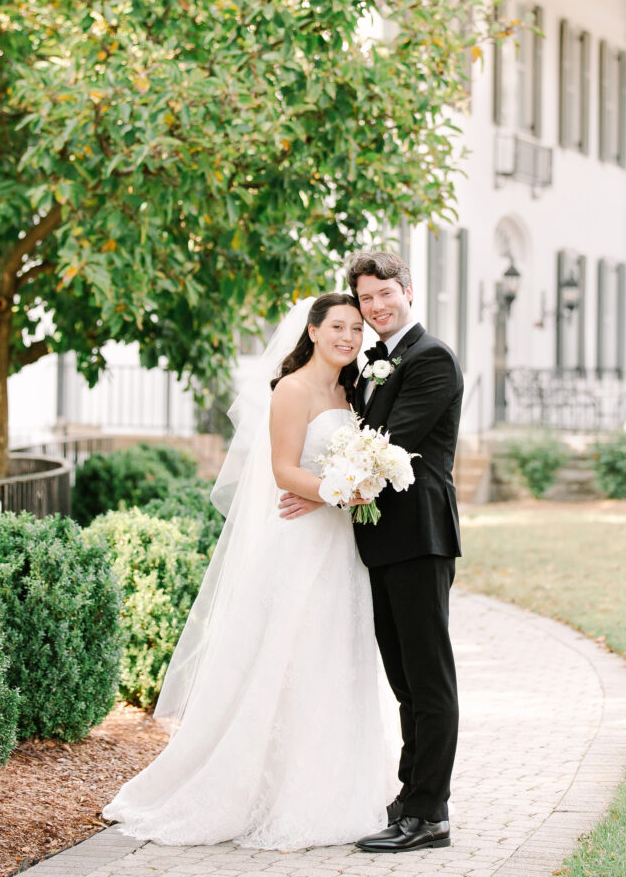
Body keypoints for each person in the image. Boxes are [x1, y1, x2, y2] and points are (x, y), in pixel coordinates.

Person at [103, 293, 397, 849]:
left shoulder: (354, 388)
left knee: (337, 657)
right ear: (312, 330)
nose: (349, 338)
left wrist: (348, 491)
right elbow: (285, 472)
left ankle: (339, 784)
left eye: (357, 329)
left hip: (341, 547)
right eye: (338, 327)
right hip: (300, 544)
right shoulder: (291, 389)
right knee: (289, 659)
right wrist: (343, 492)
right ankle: (262, 789)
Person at [280, 252, 463, 852]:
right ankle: (409, 798)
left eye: (386, 293)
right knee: (404, 680)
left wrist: (324, 493)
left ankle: (429, 813)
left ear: (407, 290)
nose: (377, 306)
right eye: (366, 299)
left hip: (419, 539)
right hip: (378, 541)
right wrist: (328, 488)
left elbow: (390, 449)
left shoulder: (430, 359)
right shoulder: (368, 366)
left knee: (428, 679)